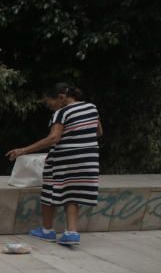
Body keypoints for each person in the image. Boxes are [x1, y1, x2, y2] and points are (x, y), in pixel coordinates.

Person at [6, 82, 102, 246]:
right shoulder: (92, 108)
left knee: (50, 191)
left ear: (61, 97)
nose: (48, 106)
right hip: (89, 158)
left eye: (48, 101)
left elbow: (53, 138)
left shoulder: (61, 113)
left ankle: (47, 230)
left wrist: (23, 150)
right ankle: (71, 233)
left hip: (64, 159)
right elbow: (99, 132)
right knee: (74, 192)